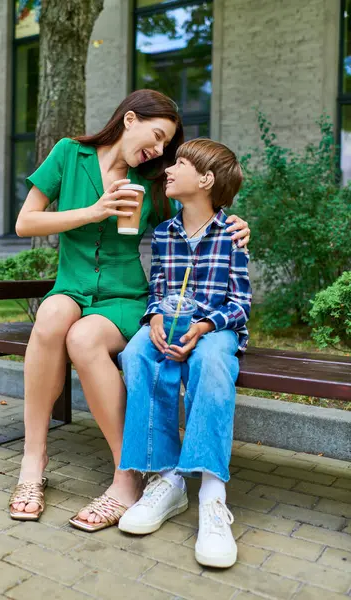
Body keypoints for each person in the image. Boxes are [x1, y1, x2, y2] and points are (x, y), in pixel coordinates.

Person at [9, 90, 251, 529]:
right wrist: (92, 211)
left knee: (82, 337)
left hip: (124, 297)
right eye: (157, 137)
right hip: (72, 284)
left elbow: (198, 215)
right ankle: (33, 461)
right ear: (130, 119)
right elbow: (26, 222)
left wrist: (233, 221)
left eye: (165, 147)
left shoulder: (156, 182)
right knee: (52, 317)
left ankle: (128, 475)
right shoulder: (70, 154)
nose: (158, 151)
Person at [117, 138, 252, 568]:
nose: (168, 170)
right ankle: (168, 480)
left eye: (179, 164)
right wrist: (154, 317)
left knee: (212, 361)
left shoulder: (231, 233)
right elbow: (158, 289)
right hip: (171, 322)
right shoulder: (164, 233)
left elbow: (240, 302)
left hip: (216, 327)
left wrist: (205, 326)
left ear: (207, 179)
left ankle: (212, 495)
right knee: (137, 351)